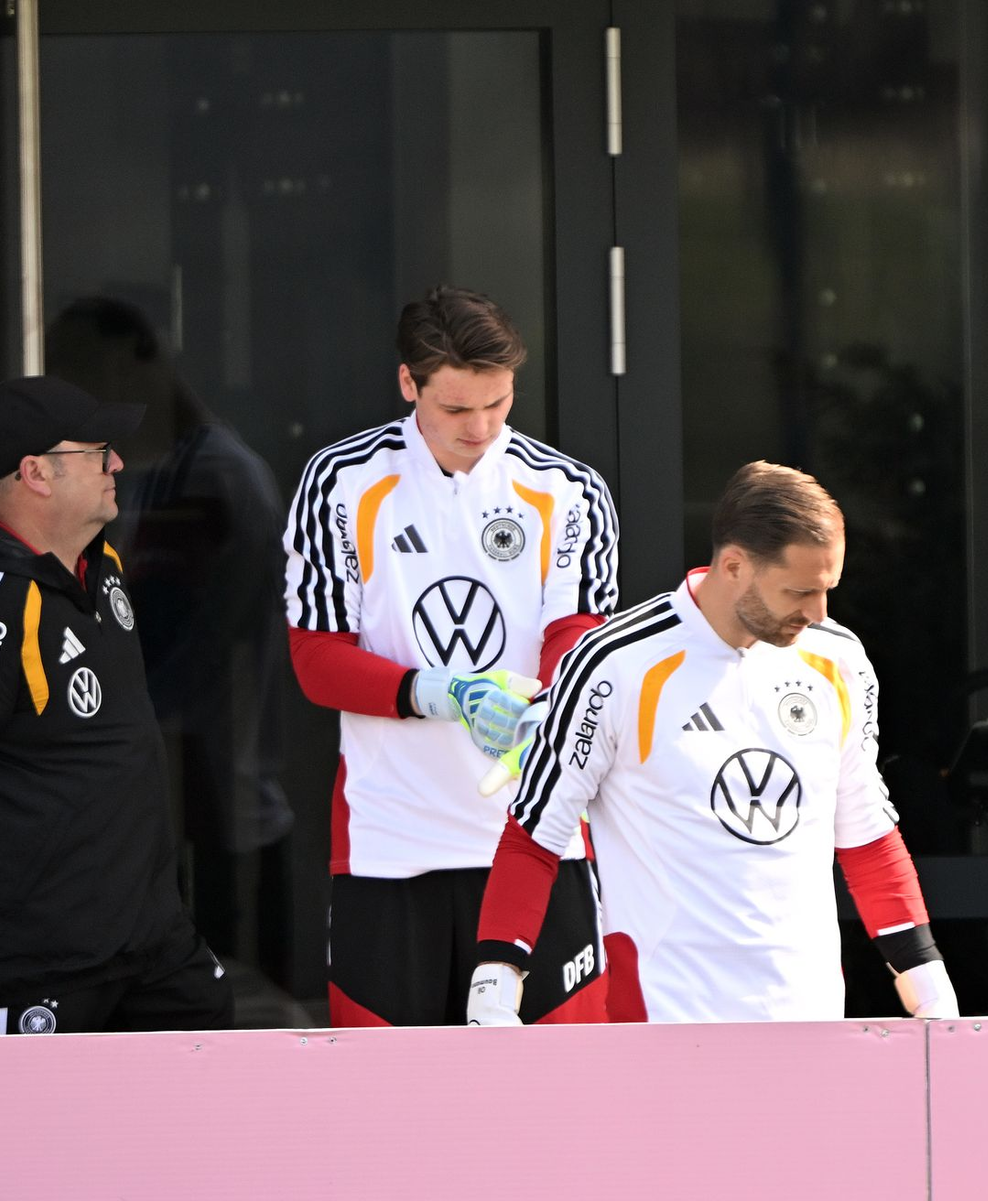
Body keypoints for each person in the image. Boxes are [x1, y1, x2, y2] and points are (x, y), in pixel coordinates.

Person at [468, 460, 958, 1024]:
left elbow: (867, 832)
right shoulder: (615, 663)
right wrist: (495, 984)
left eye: (827, 589)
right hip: (666, 1020)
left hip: (810, 1017)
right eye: (799, 591)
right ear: (733, 566)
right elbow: (535, 835)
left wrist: (929, 984)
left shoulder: (839, 659)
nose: (819, 612)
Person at [284, 284, 618, 1026]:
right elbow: (317, 658)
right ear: (409, 383)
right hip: (390, 839)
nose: (482, 427)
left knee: (565, 1097)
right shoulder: (341, 482)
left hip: (539, 834)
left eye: (498, 403)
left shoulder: (568, 488)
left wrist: (548, 703)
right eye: (457, 409)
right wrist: (440, 692)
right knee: (388, 1103)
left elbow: (578, 631)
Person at [45, 298, 294, 987]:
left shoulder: (208, 478)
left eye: (78, 365)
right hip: (183, 795)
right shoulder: (156, 473)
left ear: (135, 356)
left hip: (211, 801)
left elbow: (174, 650)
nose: (73, 387)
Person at [0, 375, 234, 1034]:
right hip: (47, 962)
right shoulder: (7, 601)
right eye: (98, 451)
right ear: (35, 473)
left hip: (153, 943)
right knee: (46, 1136)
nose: (118, 464)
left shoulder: (100, 563)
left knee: (212, 1069)